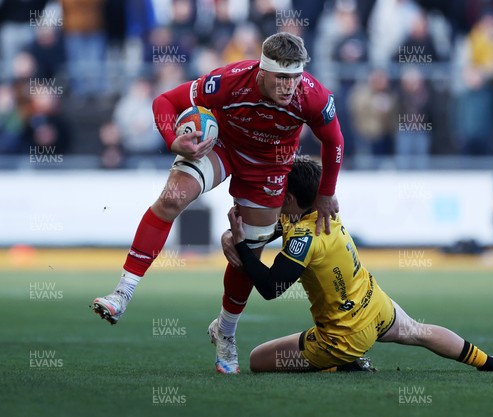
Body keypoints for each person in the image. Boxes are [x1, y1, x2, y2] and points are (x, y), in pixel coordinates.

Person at [91, 32, 344, 375]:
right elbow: (164, 102)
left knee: (248, 253)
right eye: (281, 78)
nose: (289, 86)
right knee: (172, 198)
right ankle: (121, 294)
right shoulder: (227, 82)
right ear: (263, 71)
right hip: (221, 148)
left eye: (295, 77)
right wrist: (173, 141)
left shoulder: (313, 96)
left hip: (269, 166)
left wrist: (326, 192)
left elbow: (335, 141)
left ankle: (224, 332)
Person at [222, 158, 493, 373]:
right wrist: (234, 235)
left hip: (343, 336)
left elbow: (271, 287)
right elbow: (273, 227)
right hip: (375, 304)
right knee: (417, 330)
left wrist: (241, 246)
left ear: (290, 199)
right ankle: (490, 362)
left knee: (257, 360)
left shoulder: (305, 238)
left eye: (281, 192)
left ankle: (341, 363)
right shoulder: (325, 210)